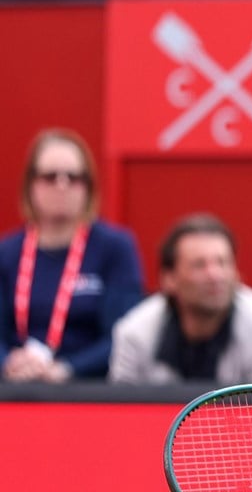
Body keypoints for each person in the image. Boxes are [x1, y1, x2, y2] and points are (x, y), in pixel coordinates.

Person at [0, 129, 144, 382]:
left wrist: (67, 368)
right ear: (30, 185)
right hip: (16, 387)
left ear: (89, 187)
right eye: (50, 176)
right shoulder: (7, 253)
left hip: (89, 389)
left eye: (74, 177)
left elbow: (125, 335)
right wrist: (7, 363)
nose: (62, 185)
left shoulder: (115, 247)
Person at [109, 213, 252, 385]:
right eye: (199, 265)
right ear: (169, 279)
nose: (215, 275)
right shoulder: (133, 334)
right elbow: (119, 415)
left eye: (222, 262)